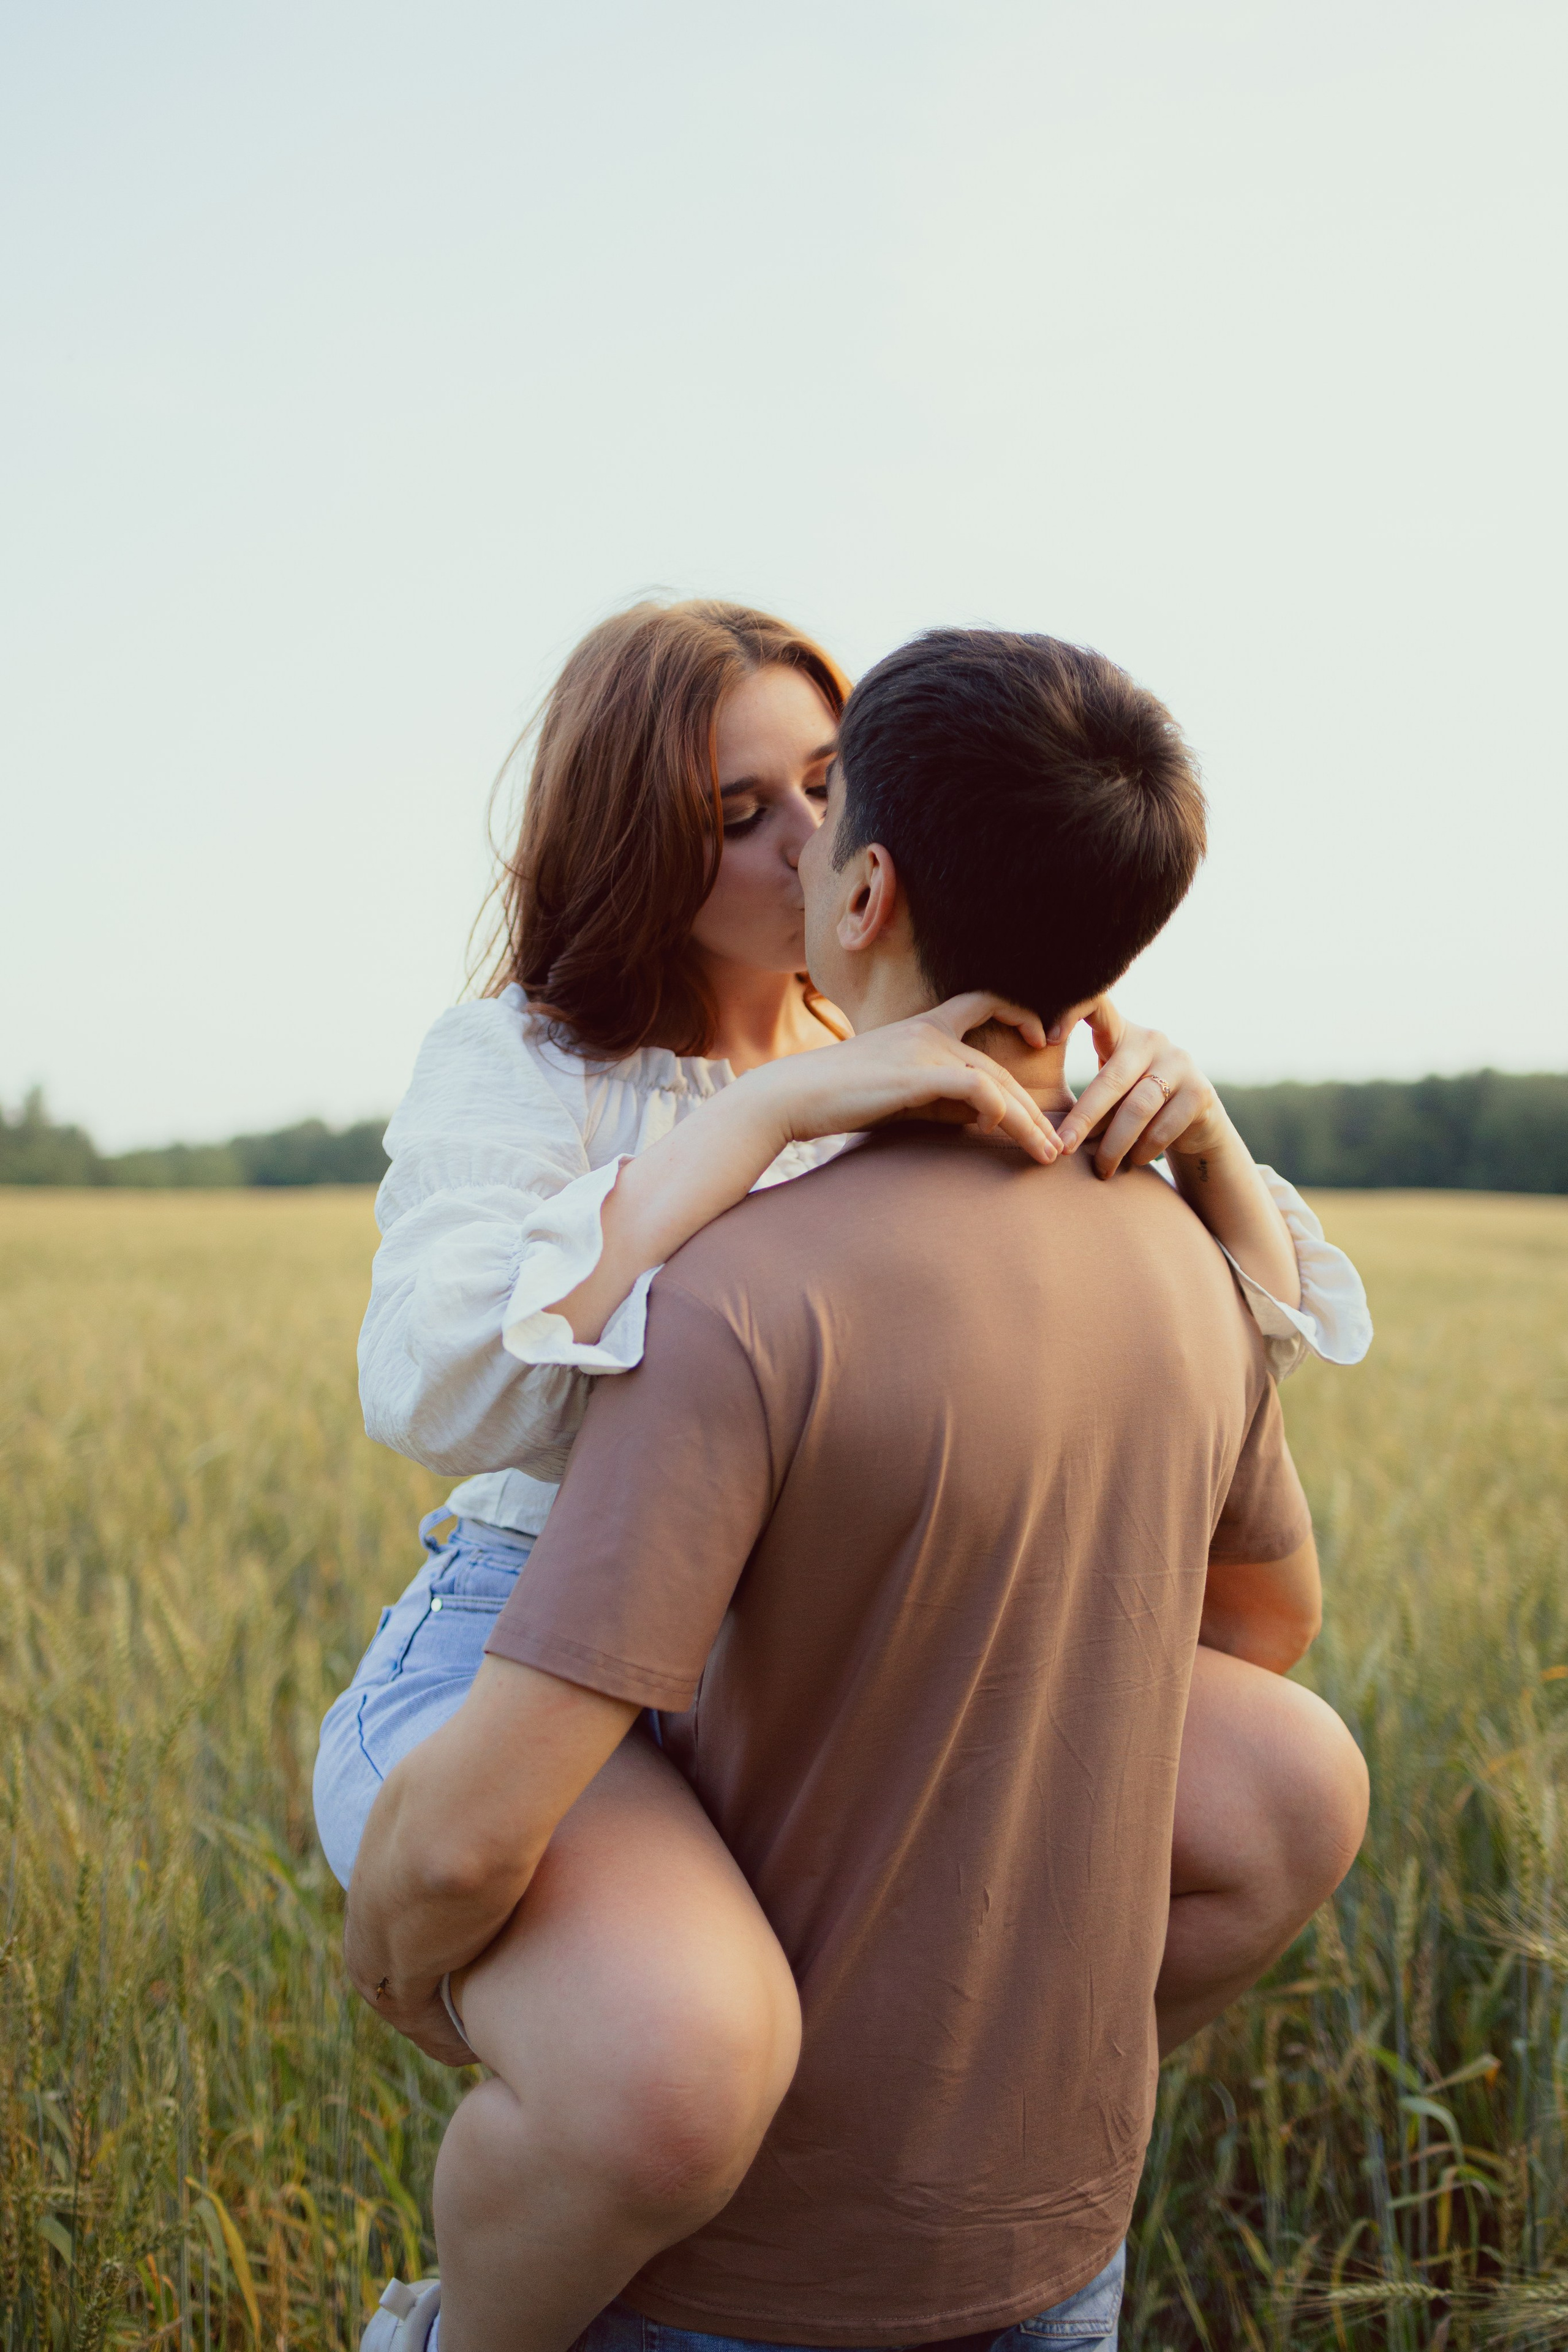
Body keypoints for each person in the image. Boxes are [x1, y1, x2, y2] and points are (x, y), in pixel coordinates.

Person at [314, 601, 1371, 2349]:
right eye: (741, 814)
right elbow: (442, 1384)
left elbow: (1193, 1364)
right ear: (635, 839)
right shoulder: (529, 1062)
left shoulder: (903, 1021)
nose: (814, 842)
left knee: (1284, 1792)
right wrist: (756, 1127)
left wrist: (1207, 1142)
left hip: (829, 1621)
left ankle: (867, 2143)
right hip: (531, 1622)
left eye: (824, 782)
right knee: (673, 2069)